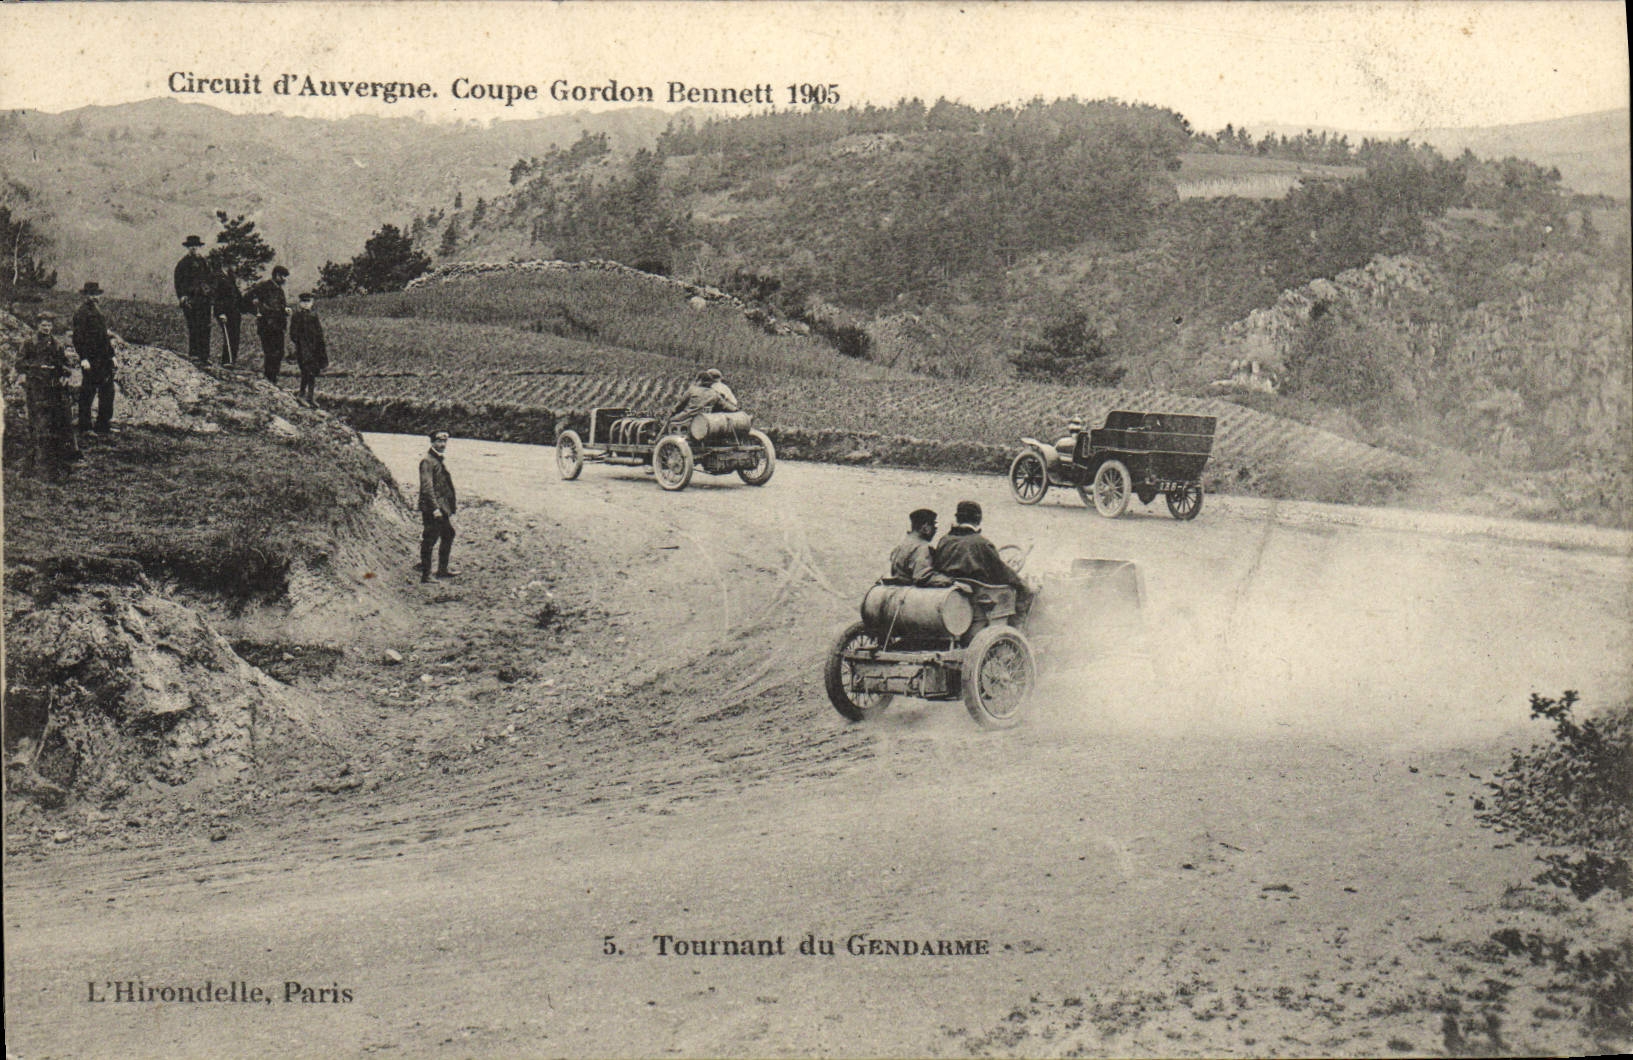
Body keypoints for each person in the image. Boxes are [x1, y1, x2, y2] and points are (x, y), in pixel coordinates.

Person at [932, 500, 1033, 612]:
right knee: (1024, 591)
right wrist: (1023, 585)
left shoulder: (944, 540)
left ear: (957, 518)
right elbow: (1002, 572)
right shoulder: (982, 543)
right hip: (979, 597)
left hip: (950, 596)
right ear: (978, 519)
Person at [19, 314, 80, 479]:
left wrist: (65, 374)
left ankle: (54, 460)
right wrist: (35, 368)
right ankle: (32, 461)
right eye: (43, 325)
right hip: (35, 386)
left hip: (52, 387)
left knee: (54, 422)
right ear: (38, 325)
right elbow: (20, 363)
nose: (46, 328)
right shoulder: (29, 343)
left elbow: (64, 364)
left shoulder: (56, 344)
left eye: (49, 325)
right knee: (36, 422)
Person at [71, 281, 118, 438]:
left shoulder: (99, 313)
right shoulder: (81, 313)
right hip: (91, 359)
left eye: (96, 294)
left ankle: (103, 425)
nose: (94, 297)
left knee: (107, 392)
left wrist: (112, 355)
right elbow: (78, 338)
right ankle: (85, 426)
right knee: (88, 392)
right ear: (85, 296)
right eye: (91, 294)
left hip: (103, 358)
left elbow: (104, 337)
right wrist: (83, 357)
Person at [418, 430, 457, 583]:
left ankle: (442, 570)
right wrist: (435, 508)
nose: (442, 445)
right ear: (432, 442)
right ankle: (426, 575)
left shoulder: (436, 460)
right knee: (430, 539)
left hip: (440, 507)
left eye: (444, 442)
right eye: (439, 442)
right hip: (432, 508)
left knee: (448, 534)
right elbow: (427, 487)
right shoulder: (427, 461)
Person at [173, 234, 215, 366]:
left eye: (196, 246)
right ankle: (194, 354)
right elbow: (178, 281)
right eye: (191, 246)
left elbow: (210, 279)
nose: (193, 249)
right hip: (191, 300)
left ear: (199, 247)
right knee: (194, 325)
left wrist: (210, 293)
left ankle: (205, 355)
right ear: (187, 248)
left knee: (205, 326)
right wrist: (182, 296)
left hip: (204, 300)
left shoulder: (204, 262)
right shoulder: (183, 264)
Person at [246, 264, 291, 384]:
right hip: (267, 326)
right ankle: (269, 379)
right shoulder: (263, 286)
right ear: (277, 275)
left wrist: (286, 309)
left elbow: (281, 306)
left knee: (279, 352)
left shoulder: (280, 290)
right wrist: (256, 312)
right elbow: (248, 299)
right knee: (270, 353)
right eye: (283, 277)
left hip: (278, 326)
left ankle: (273, 379)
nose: (285, 280)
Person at [889, 508, 952, 586]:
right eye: (933, 525)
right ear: (925, 527)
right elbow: (923, 577)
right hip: (913, 593)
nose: (935, 530)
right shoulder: (922, 547)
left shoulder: (901, 545)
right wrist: (949, 580)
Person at [289, 291, 328, 404]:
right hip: (303, 348)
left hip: (314, 347)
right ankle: (302, 394)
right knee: (306, 370)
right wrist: (300, 343)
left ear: (312, 302)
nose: (306, 304)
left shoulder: (313, 315)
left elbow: (319, 332)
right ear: (300, 303)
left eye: (308, 301)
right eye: (303, 302)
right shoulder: (297, 315)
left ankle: (310, 396)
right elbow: (293, 333)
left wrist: (320, 347)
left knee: (313, 371)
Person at [668, 367, 737, 427]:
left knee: (670, 421)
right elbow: (726, 406)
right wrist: (736, 410)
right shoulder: (714, 393)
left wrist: (672, 413)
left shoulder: (692, 390)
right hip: (705, 420)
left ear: (700, 381)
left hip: (688, 418)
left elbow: (680, 405)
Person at [212, 263, 244, 367]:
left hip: (234, 312)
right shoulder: (218, 277)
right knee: (229, 336)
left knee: (234, 336)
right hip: (225, 312)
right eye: (234, 265)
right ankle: (227, 361)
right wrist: (220, 312)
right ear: (227, 265)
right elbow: (216, 296)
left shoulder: (230, 278)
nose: (236, 268)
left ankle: (231, 361)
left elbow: (237, 297)